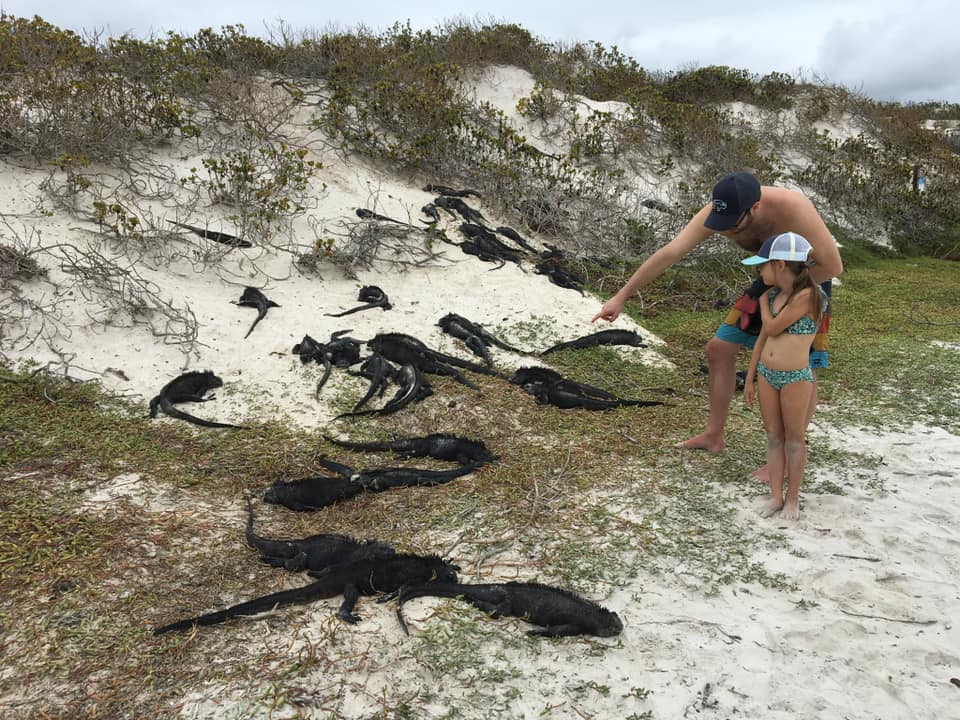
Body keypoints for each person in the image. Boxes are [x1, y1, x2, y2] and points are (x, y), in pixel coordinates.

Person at [592, 172, 842, 476]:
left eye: (735, 224)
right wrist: (621, 297)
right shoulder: (717, 213)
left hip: (809, 284)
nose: (728, 231)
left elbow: (832, 265)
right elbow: (670, 252)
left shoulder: (793, 207)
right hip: (768, 283)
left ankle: (789, 458)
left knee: (799, 366)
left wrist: (786, 296)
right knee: (718, 349)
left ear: (756, 208)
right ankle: (714, 436)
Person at [742, 233, 827, 520]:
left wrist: (763, 303)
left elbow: (775, 327)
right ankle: (776, 496)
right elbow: (762, 340)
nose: (758, 273)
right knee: (773, 436)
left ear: (779, 265)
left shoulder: (810, 296)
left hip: (795, 377)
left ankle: (793, 499)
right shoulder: (777, 295)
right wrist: (752, 376)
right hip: (768, 374)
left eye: (761, 266)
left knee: (794, 438)